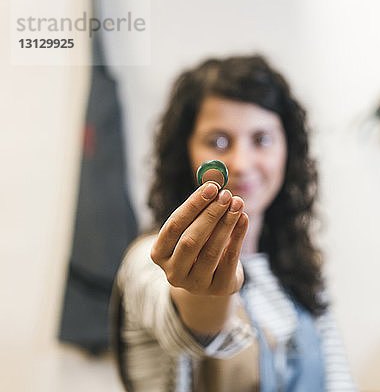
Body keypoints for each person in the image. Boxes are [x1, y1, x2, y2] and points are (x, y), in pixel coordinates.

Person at [112, 55, 356, 392]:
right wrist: (205, 292)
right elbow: (192, 330)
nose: (240, 164)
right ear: (186, 152)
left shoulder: (300, 271)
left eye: (262, 139)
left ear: (289, 149)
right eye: (219, 141)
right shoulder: (151, 261)